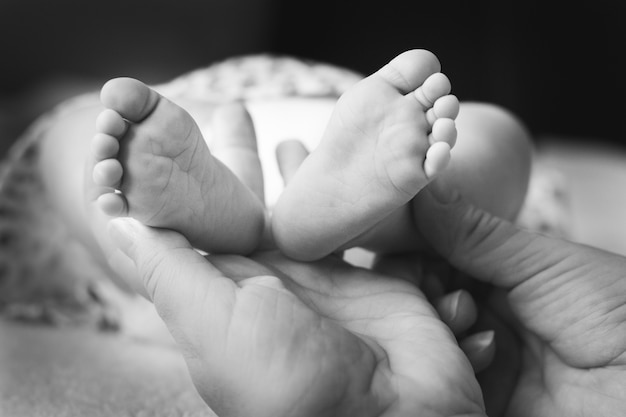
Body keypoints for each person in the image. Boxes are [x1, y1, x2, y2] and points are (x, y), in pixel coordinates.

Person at [105, 178, 626, 417]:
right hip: (324, 160)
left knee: (80, 156)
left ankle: (347, 205)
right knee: (496, 142)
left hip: (275, 128)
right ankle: (353, 206)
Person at [87, 49, 532, 265]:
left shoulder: (170, 110)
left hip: (212, 106)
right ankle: (389, 220)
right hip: (320, 118)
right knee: (498, 133)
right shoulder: (388, 107)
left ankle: (183, 242)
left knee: (85, 140)